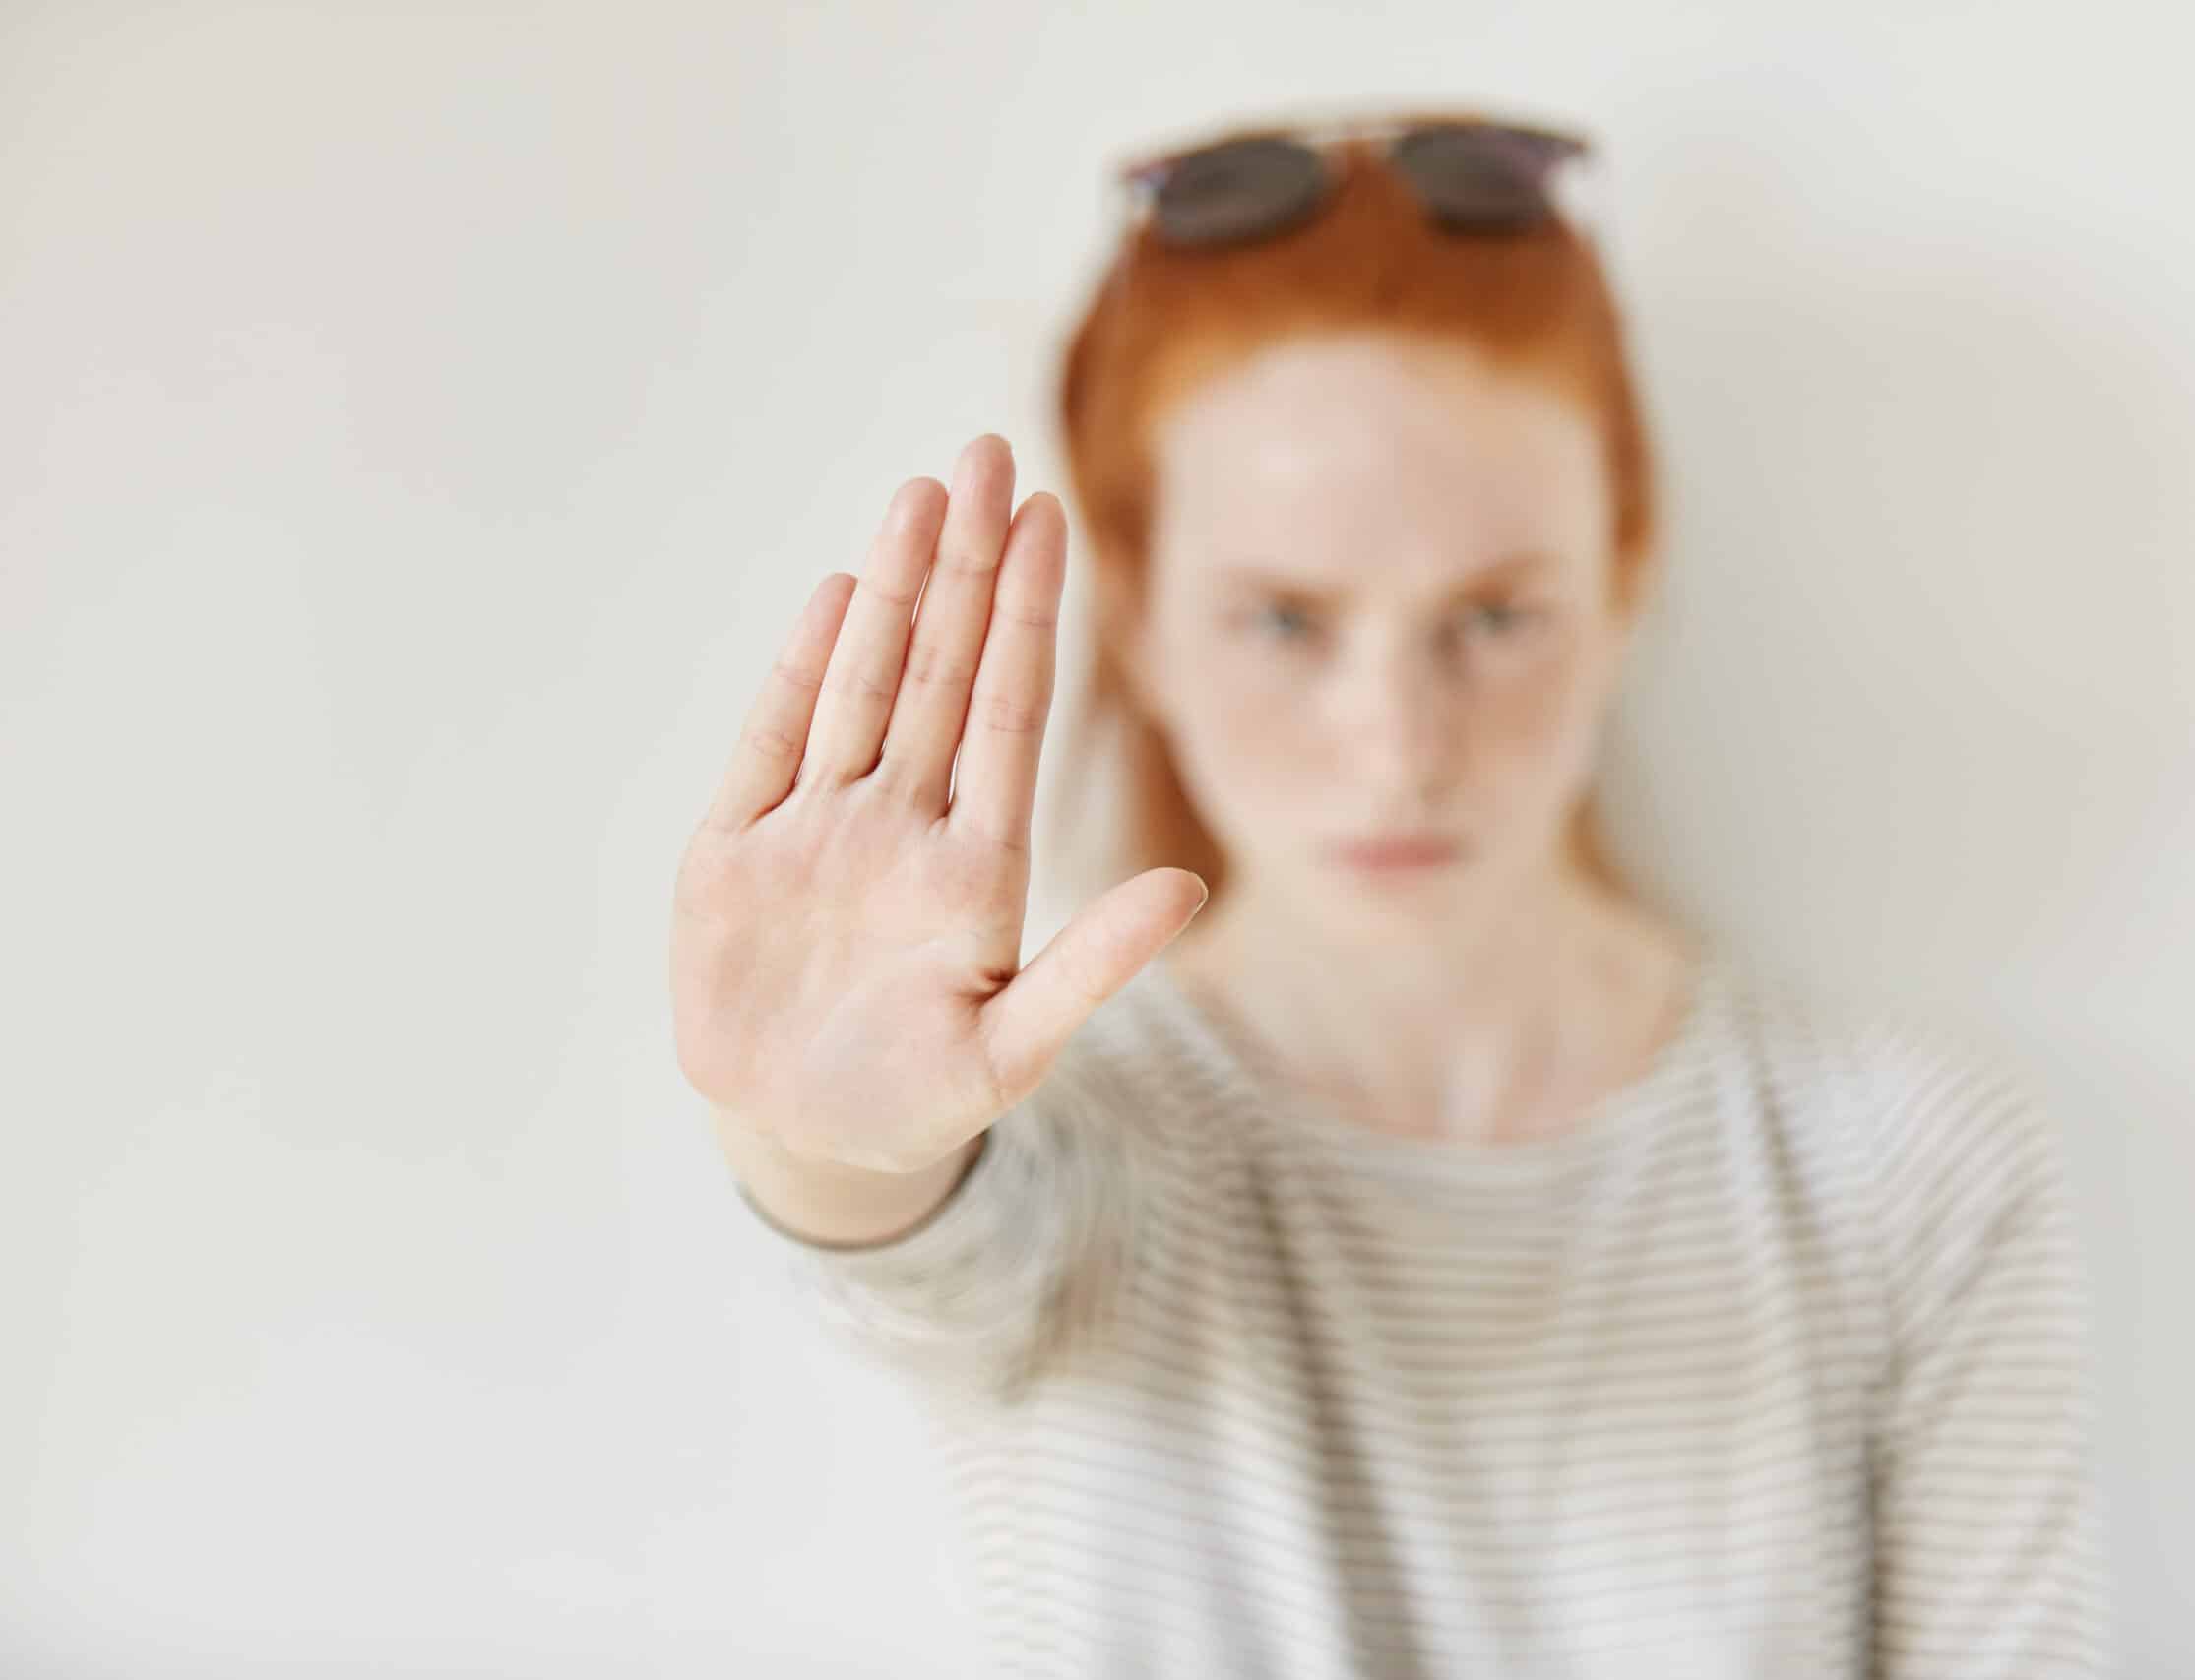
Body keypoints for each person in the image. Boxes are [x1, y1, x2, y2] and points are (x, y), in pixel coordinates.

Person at [668, 108, 2108, 1678]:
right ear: (1141, 624)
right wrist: (818, 1143)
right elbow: (924, 1241)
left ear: (1625, 585)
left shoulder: (1897, 1160)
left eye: (1495, 617)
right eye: (1284, 622)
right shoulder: (1091, 1140)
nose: (1400, 750)